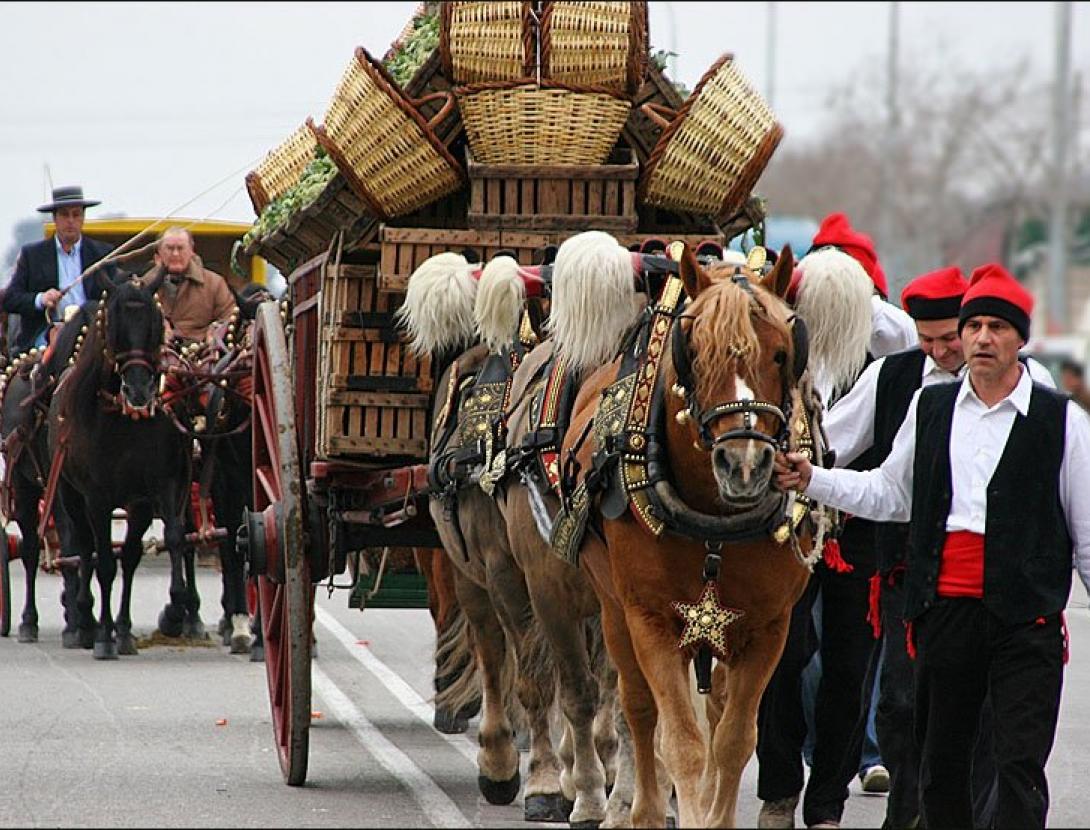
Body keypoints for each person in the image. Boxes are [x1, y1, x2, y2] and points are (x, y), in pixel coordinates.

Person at [774, 262, 1090, 830]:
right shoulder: (931, 407)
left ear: (1022, 337)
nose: (980, 339)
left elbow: (1086, 531)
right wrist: (811, 478)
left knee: (1017, 763)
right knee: (938, 763)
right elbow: (889, 492)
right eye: (973, 327)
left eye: (997, 326)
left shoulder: (1060, 419)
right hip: (943, 613)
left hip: (1027, 620)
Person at [757, 213, 907, 830]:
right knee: (783, 655)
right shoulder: (787, 347)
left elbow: (900, 326)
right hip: (787, 526)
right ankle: (779, 788)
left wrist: (854, 290)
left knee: (851, 668)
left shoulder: (887, 352)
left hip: (862, 530)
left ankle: (827, 801)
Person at [2, 186, 118, 355]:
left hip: (93, 333)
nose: (71, 220)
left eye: (76, 214)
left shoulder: (103, 254)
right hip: (46, 335)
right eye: (64, 214)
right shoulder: (32, 255)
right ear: (55, 218)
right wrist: (41, 299)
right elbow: (10, 299)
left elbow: (116, 297)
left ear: (83, 218)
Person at [141, 227, 237, 343]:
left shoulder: (215, 284)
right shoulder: (142, 286)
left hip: (203, 354)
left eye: (180, 248)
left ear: (191, 251)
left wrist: (214, 332)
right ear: (159, 253)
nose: (175, 254)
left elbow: (229, 316)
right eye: (170, 248)